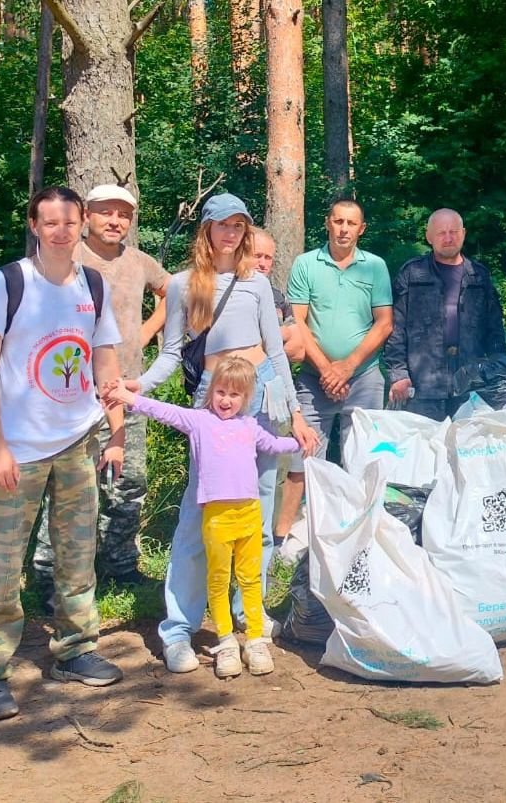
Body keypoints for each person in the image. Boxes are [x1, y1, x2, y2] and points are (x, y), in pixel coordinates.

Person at [139, 194, 320, 673]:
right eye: (223, 225)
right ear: (206, 229)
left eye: (238, 226)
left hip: (263, 398)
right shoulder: (183, 285)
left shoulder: (256, 283)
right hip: (213, 402)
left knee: (257, 512)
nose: (230, 234)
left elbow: (276, 353)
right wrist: (137, 386)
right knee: (199, 514)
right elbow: (171, 353)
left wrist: (296, 415)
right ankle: (179, 629)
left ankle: (247, 618)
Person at [0, 187, 128, 723]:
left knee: (77, 554)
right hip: (18, 449)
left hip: (79, 440)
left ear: (82, 225)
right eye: (50, 222)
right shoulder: (6, 283)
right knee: (3, 562)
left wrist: (116, 433)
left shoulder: (93, 285)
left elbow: (105, 362)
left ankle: (75, 650)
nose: (61, 231)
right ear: (34, 226)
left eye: (69, 222)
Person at [107, 357, 305, 679]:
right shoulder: (199, 421)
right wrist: (128, 397)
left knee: (250, 579)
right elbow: (163, 411)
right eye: (221, 392)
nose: (226, 400)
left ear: (247, 398)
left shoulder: (250, 426)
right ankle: (225, 641)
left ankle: (255, 640)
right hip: (216, 516)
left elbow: (274, 444)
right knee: (218, 578)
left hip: (249, 513)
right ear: (211, 391)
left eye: (234, 395)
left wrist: (301, 440)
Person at [32, 184, 169, 602]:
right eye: (106, 212)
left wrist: (145, 332)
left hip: (126, 389)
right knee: (66, 485)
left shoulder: (139, 262)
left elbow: (171, 293)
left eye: (123, 214)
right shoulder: (67, 258)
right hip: (73, 394)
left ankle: (120, 565)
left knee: (128, 480)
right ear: (88, 216)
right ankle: (48, 574)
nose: (115, 221)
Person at [276, 199, 392, 538]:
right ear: (328, 223)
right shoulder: (306, 264)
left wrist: (348, 367)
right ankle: (283, 537)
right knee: (303, 456)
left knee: (364, 458)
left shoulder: (375, 267)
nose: (343, 229)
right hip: (314, 378)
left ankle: (361, 534)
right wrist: (328, 369)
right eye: (338, 221)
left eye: (351, 223)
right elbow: (297, 322)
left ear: (361, 229)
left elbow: (384, 323)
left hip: (365, 376)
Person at [386, 209, 506, 420]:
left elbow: (495, 331)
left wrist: (497, 373)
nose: (448, 238)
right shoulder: (412, 274)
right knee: (425, 441)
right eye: (441, 233)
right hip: (422, 386)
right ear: (429, 236)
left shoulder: (479, 276)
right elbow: (395, 329)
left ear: (463, 233)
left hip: (471, 386)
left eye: (453, 232)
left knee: (470, 441)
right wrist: (398, 375)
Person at [251, 227, 306, 365]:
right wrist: (282, 334)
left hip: (274, 375)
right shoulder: (228, 294)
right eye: (257, 256)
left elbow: (299, 350)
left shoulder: (278, 297)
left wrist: (283, 334)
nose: (262, 264)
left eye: (268, 258)